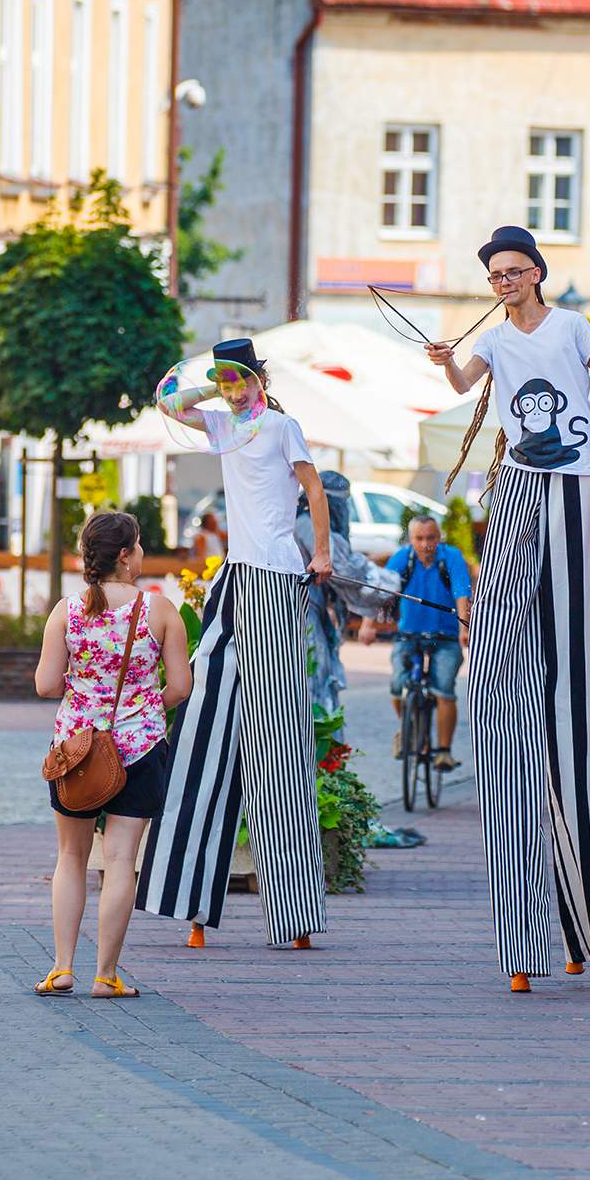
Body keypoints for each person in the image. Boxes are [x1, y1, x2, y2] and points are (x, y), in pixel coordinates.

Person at [430, 224, 590, 992]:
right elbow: (466, 385)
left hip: (579, 480)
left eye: (511, 270)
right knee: (502, 594)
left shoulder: (569, 325)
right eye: (493, 274)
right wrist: (444, 364)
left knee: (574, 639)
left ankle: (578, 919)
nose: (502, 281)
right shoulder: (495, 343)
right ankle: (488, 647)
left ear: (535, 271)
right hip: (521, 485)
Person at [140, 338, 334, 952]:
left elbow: (315, 488)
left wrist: (322, 552)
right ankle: (190, 902)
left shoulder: (282, 426)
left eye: (240, 378)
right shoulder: (223, 421)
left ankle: (296, 914)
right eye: (225, 379)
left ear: (260, 377)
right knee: (203, 721)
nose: (232, 388)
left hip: (277, 576)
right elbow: (167, 402)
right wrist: (216, 384)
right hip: (233, 579)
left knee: (278, 740)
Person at [35, 512, 191, 996]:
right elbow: (181, 687)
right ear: (125, 555)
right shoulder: (160, 610)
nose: (142, 553)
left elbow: (44, 685)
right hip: (140, 748)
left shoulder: (66, 610)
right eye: (139, 546)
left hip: (76, 751)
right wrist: (141, 710)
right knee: (121, 860)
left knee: (71, 857)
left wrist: (87, 700)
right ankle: (106, 974)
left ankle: (62, 967)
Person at [360, 513, 472, 772]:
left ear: (439, 536)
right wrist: (368, 625)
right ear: (410, 539)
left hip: (445, 636)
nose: (425, 544)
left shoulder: (451, 557)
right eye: (419, 538)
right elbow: (382, 591)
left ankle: (443, 751)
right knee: (397, 685)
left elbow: (461, 594)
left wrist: (463, 628)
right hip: (408, 633)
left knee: (443, 689)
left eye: (431, 538)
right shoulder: (403, 557)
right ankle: (407, 727)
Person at [300, 470, 399, 715]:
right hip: (304, 617)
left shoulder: (302, 523)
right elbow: (349, 571)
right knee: (315, 683)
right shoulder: (308, 527)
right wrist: (392, 582)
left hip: (309, 612)